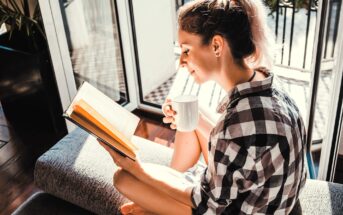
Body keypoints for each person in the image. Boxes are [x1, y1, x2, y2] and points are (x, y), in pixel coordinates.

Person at [99, 0, 307, 214]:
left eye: (186, 50)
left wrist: (138, 170)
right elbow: (240, 145)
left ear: (217, 45)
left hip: (233, 207)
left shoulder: (235, 125)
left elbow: (207, 204)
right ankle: (163, 193)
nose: (181, 61)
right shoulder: (267, 81)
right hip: (270, 197)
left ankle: (160, 200)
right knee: (192, 112)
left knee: (123, 178)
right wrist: (190, 118)